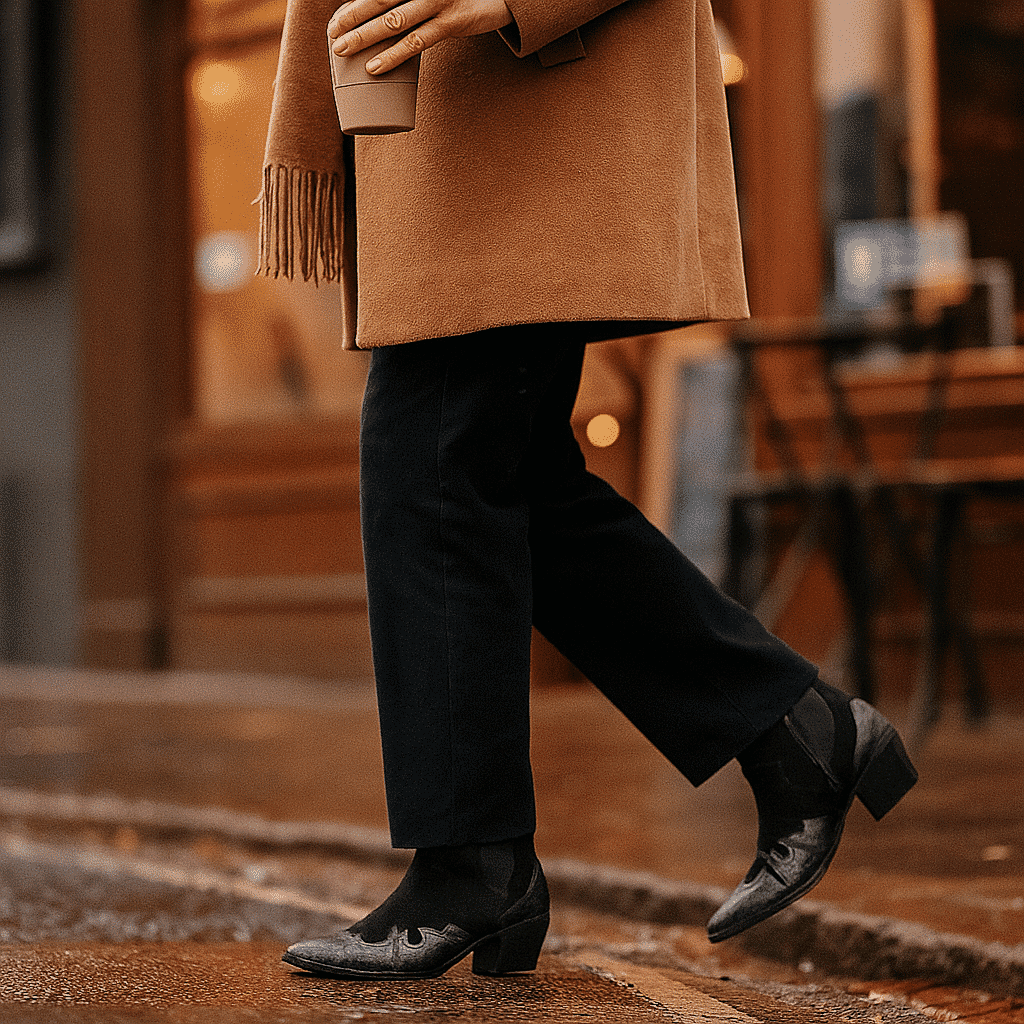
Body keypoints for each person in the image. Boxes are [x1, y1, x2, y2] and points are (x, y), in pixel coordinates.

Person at [259, 0, 918, 981]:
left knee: (436, 463)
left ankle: (478, 860)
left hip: (523, 97)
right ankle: (788, 730)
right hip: (463, 108)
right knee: (494, 477)